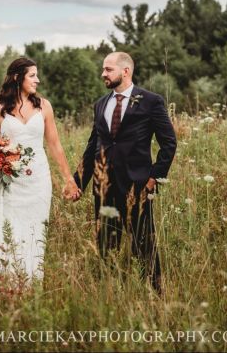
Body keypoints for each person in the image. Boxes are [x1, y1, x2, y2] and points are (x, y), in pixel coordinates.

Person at [73, 52, 177, 292]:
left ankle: (155, 295)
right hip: (103, 188)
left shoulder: (151, 101)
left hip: (137, 187)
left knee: (144, 246)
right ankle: (110, 296)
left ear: (126, 71)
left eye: (108, 69)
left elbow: (169, 142)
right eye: (103, 69)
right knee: (106, 248)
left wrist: (153, 179)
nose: (103, 74)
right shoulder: (100, 104)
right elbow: (93, 148)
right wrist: (79, 182)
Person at [0, 57, 81, 283]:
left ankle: (31, 282)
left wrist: (68, 179)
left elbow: (54, 144)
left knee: (34, 230)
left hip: (38, 180)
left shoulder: (44, 106)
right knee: (8, 228)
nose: (37, 80)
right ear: (17, 77)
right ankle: (7, 282)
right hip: (10, 183)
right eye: (32, 75)